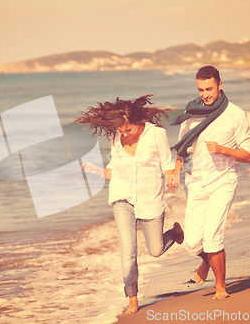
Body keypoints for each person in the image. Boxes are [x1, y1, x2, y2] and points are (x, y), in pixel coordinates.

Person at [75, 94, 184, 314]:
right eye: (122, 131)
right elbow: (113, 169)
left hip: (149, 197)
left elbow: (166, 162)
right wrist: (95, 170)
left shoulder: (156, 134)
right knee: (128, 251)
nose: (124, 134)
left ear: (136, 121)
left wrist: (171, 176)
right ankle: (132, 299)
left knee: (155, 250)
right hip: (122, 197)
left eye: (128, 130)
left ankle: (174, 233)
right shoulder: (116, 138)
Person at [170, 66, 250, 300]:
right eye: (200, 89)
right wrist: (175, 171)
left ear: (220, 84)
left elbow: (248, 155)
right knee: (192, 242)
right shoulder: (192, 113)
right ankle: (206, 262)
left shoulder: (235, 114)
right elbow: (182, 151)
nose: (205, 94)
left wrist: (224, 150)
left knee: (213, 236)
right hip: (197, 183)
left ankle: (220, 287)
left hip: (223, 182)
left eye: (209, 88)